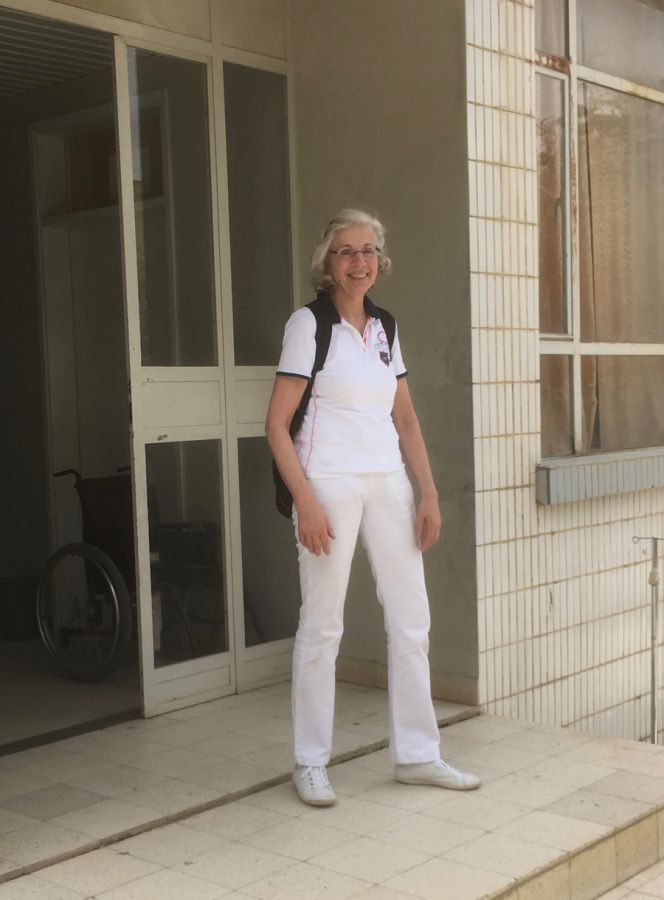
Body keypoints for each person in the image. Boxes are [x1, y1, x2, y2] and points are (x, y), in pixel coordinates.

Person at [265, 209, 480, 807]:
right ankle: (310, 762)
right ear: (326, 262)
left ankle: (417, 754)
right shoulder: (309, 325)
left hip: (389, 483)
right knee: (324, 623)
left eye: (367, 252)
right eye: (345, 252)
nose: (358, 262)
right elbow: (277, 426)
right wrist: (305, 501)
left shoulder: (385, 325)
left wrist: (428, 492)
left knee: (411, 618)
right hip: (329, 484)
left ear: (378, 261)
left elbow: (404, 417)